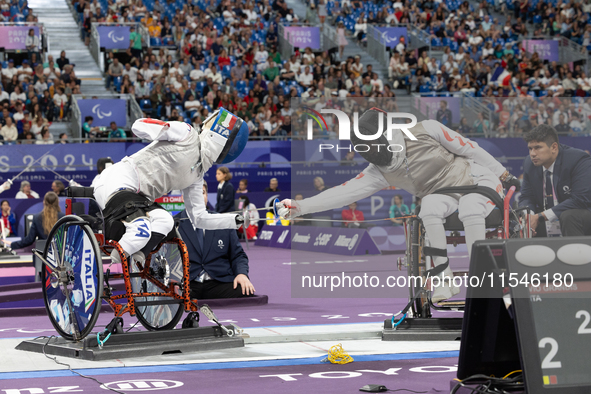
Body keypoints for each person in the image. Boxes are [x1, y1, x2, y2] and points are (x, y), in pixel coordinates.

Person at [276, 109, 520, 302]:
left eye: (370, 144)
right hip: (442, 194)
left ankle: (481, 281)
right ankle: (444, 280)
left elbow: (469, 148)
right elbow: (344, 192)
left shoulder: (427, 129)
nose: (368, 152)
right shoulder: (378, 172)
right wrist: (300, 206)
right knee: (428, 210)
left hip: (475, 179)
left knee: (469, 208)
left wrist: (503, 173)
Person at [92, 109, 249, 266]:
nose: (204, 122)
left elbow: (199, 218)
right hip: (118, 181)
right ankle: (108, 265)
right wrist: (163, 129)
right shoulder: (186, 133)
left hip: (138, 199)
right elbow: (138, 126)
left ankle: (137, 261)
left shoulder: (197, 175)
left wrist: (234, 220)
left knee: (166, 221)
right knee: (141, 229)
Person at [175, 184, 255, 299]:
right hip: (187, 284)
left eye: (202, 193)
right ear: (183, 198)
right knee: (170, 297)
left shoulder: (223, 221)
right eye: (193, 194)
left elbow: (238, 255)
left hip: (219, 282)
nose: (198, 198)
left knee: (245, 290)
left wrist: (241, 274)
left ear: (207, 196)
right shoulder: (173, 225)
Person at [519, 125, 591, 237]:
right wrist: (529, 217)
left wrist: (540, 216)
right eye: (530, 148)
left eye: (538, 147)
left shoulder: (578, 159)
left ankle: (577, 253)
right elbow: (526, 197)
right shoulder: (529, 163)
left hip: (580, 215)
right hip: (547, 218)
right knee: (524, 220)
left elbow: (580, 200)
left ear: (554, 147)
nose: (532, 153)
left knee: (568, 216)